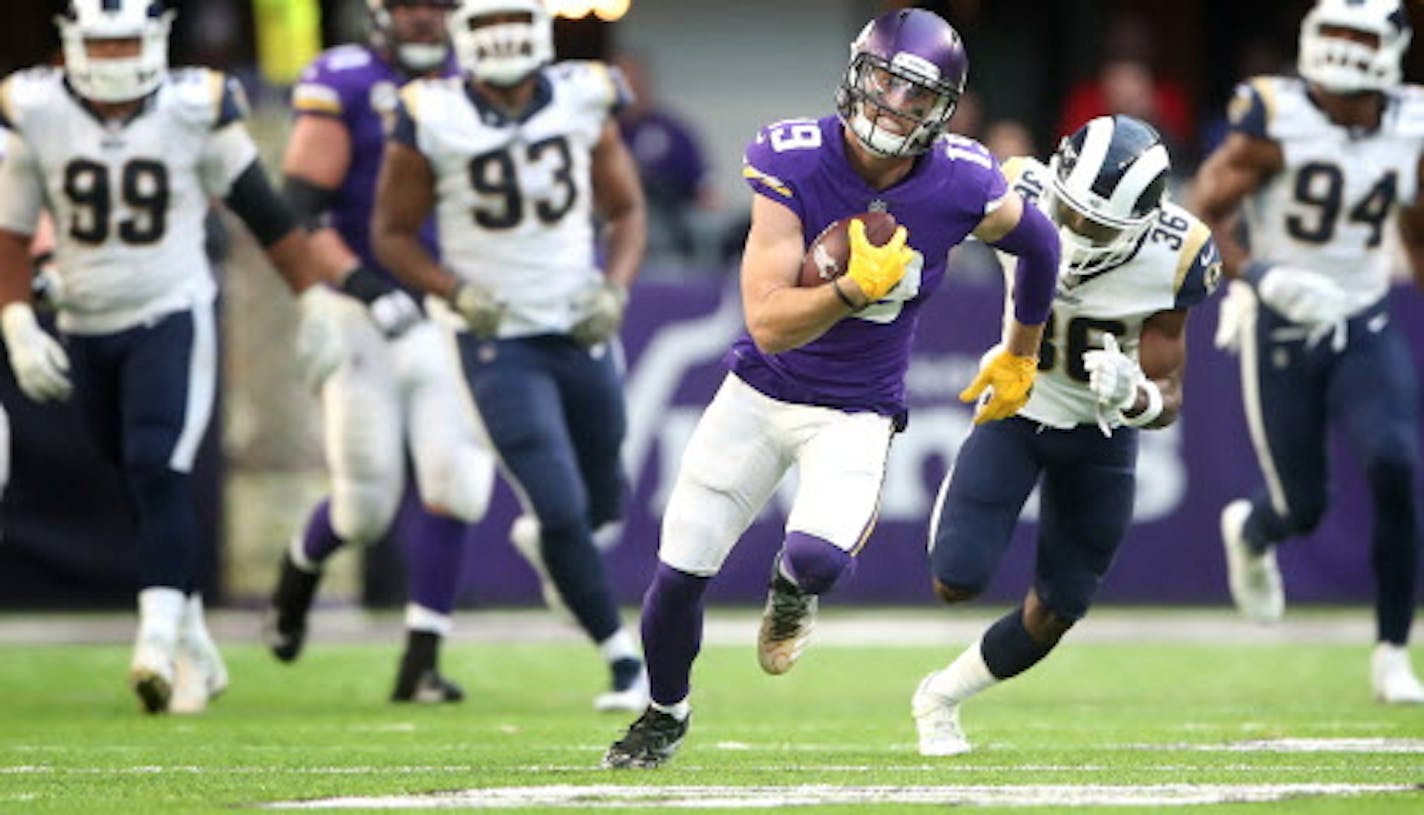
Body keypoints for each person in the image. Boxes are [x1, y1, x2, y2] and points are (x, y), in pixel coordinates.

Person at [601, 8, 1060, 769]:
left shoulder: (960, 179)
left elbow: (1038, 244)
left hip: (856, 408)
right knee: (679, 572)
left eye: (917, 95)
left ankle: (789, 590)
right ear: (857, 72)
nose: (893, 104)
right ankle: (664, 711)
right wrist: (850, 289)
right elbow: (770, 322)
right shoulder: (797, 160)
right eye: (884, 80)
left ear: (941, 109)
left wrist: (1023, 352)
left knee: (816, 559)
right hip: (759, 391)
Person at [0, 0, 354, 714]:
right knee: (134, 478)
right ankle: (193, 642)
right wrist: (17, 320)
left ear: (157, 41)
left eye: (125, 44)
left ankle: (156, 642)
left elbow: (263, 207)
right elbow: (9, 229)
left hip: (171, 309)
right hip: (83, 319)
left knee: (157, 463)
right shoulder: (34, 107)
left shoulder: (195, 104)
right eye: (100, 48)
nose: (114, 63)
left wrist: (312, 297)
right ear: (70, 47)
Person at [371, 0, 650, 712]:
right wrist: (453, 290)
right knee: (557, 504)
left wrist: (614, 289)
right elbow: (393, 234)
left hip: (578, 324)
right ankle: (623, 662)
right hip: (496, 336)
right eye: (486, 22)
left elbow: (626, 210)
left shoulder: (586, 94)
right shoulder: (430, 111)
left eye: (511, 20)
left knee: (600, 502)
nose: (501, 37)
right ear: (467, 33)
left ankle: (559, 549)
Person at [913, 115, 1219, 756]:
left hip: (1100, 435)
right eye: (1071, 212)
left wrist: (1132, 395)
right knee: (956, 579)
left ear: (1140, 223)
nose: (1077, 231)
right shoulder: (1017, 187)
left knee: (1057, 610)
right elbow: (920, 214)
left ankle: (941, 695)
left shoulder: (1179, 250)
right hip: (1016, 411)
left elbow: (1170, 398)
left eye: (1098, 225)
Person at [1190, 0, 1424, 704]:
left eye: (1361, 36)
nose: (1346, 52)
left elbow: (1415, 223)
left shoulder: (1411, 122)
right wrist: (1262, 276)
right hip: (1281, 324)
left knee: (1394, 462)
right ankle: (1255, 528)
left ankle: (1391, 651)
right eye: (1339, 33)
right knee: (1304, 505)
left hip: (1362, 317)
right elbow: (1199, 215)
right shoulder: (1275, 116)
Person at [263, 0, 497, 704]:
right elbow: (297, 207)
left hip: (448, 304)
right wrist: (363, 284)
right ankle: (297, 575)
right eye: (409, 6)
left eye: (437, 6)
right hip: (360, 306)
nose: (425, 20)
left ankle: (420, 659)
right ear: (380, 14)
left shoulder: (487, 74)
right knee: (364, 504)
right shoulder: (344, 80)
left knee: (454, 481)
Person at [613, 52, 717, 270]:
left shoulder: (671, 130)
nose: (628, 90)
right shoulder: (598, 132)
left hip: (669, 221)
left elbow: (704, 188)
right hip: (611, 220)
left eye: (633, 81)